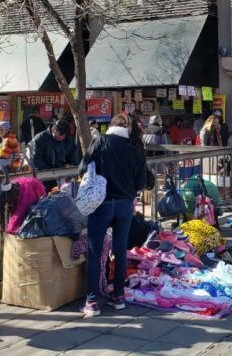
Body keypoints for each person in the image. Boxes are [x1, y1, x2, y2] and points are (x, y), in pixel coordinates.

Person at [79, 113, 148, 316]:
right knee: (120, 250)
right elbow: (142, 182)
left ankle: (92, 301)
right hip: (125, 204)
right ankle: (119, 296)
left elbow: (83, 167)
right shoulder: (136, 146)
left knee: (95, 250)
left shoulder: (101, 141)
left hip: (102, 204)